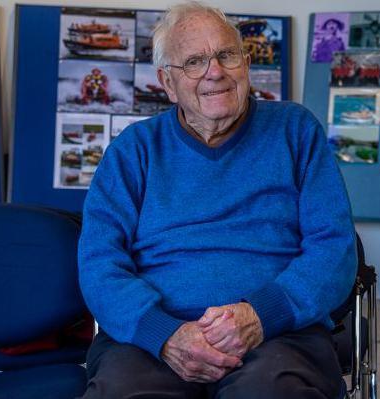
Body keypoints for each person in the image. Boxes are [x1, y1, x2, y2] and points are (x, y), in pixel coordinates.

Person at [78, 2, 357, 398]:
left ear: (246, 62)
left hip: (278, 333)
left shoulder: (296, 131)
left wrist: (261, 315)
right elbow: (99, 263)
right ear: (167, 82)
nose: (215, 72)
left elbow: (335, 251)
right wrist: (163, 334)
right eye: (194, 61)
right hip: (152, 338)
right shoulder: (132, 151)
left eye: (227, 55)